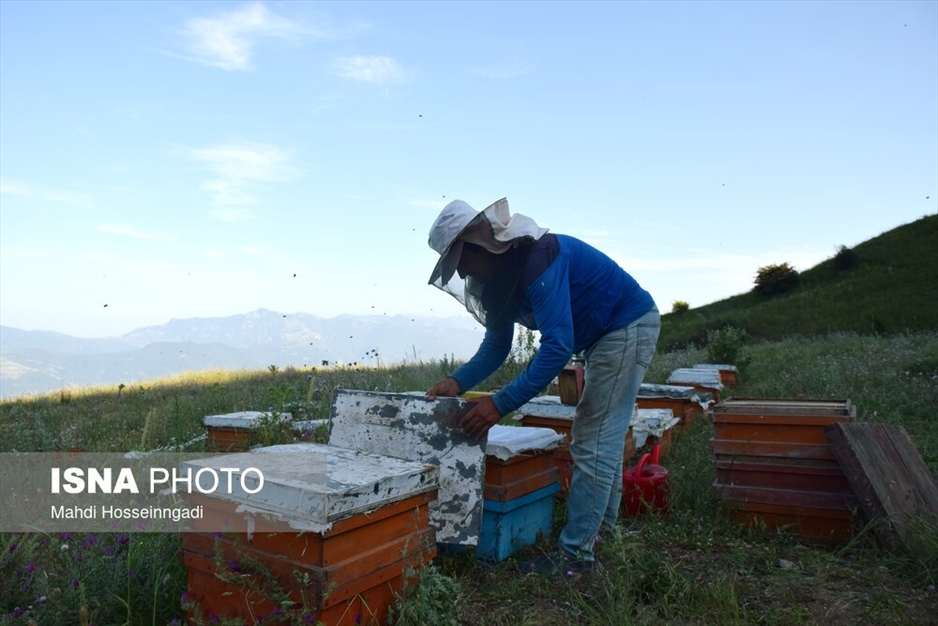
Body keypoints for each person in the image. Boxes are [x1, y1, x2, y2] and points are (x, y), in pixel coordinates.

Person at [425, 197, 660, 576]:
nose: (463, 272)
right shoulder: (495, 282)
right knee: (601, 438)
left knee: (593, 438)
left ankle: (576, 557)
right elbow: (497, 346)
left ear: (481, 244)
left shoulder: (540, 258)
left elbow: (556, 347)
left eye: (463, 260)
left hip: (625, 324)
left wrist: (500, 404)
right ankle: (604, 534)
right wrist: (457, 381)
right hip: (602, 336)